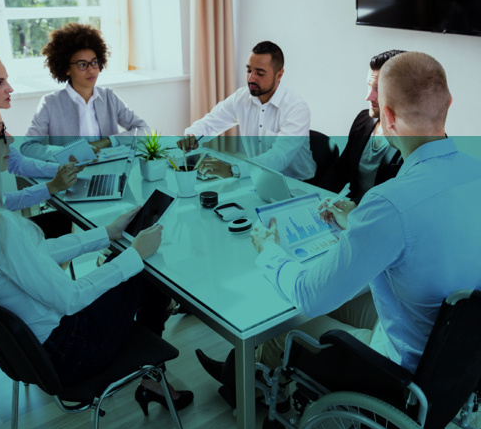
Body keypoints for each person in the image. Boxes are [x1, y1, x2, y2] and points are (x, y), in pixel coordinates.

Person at [0, 89, 193, 410]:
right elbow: (69, 299)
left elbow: (35, 255)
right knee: (149, 273)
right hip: (72, 349)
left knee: (125, 260)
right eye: (1, 133)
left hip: (40, 347)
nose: (10, 141)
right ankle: (152, 373)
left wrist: (108, 233)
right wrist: (135, 255)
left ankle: (151, 366)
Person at [250, 51, 481, 378]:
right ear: (448, 103)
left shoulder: (389, 202)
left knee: (286, 323)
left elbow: (308, 296)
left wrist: (269, 250)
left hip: (398, 370)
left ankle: (245, 391)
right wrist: (360, 221)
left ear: (387, 117)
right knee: (341, 297)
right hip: (456, 359)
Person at [0, 46, 79, 220]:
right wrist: (52, 186)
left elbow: (17, 162)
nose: (9, 88)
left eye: (6, 81)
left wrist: (64, 170)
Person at [177, 41, 316, 181]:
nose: (251, 78)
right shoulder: (241, 98)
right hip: (259, 178)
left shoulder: (296, 108)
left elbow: (278, 158)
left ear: (279, 74)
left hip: (299, 184)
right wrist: (192, 135)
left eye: (260, 73)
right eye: (249, 70)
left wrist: (233, 170)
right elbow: (211, 122)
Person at [20, 22, 149, 162]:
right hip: (71, 176)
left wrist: (108, 141)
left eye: (94, 62)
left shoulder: (108, 96)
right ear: (67, 69)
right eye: (82, 64)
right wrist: (69, 152)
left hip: (110, 171)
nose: (91, 70)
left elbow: (143, 129)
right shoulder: (50, 103)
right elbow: (28, 147)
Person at [317, 49, 405, 204]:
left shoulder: (412, 139)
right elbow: (340, 170)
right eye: (369, 86)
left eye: (378, 89)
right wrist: (315, 200)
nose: (368, 97)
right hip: (350, 213)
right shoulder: (363, 120)